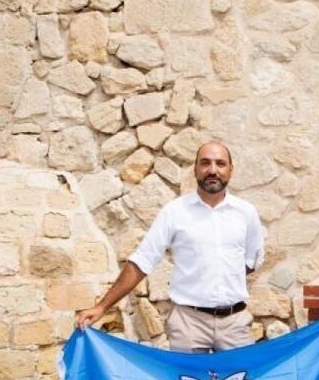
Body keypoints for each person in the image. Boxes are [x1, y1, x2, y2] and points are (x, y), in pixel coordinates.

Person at [75, 142, 265, 353]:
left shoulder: (246, 213)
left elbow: (250, 262)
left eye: (220, 164)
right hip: (188, 324)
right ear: (195, 169)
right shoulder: (175, 212)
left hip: (235, 324)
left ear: (231, 170)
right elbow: (142, 261)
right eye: (205, 163)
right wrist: (102, 306)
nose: (213, 170)